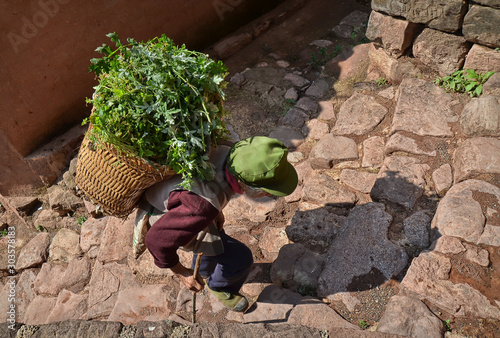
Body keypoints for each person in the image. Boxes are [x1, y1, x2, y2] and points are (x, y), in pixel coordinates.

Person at [140, 136, 298, 312]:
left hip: (181, 204)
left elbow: (204, 183)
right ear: (244, 182)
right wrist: (182, 273)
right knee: (242, 258)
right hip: (166, 216)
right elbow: (156, 241)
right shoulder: (200, 208)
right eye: (267, 192)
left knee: (211, 236)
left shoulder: (224, 149)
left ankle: (204, 270)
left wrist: (216, 210)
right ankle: (219, 287)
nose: (268, 196)